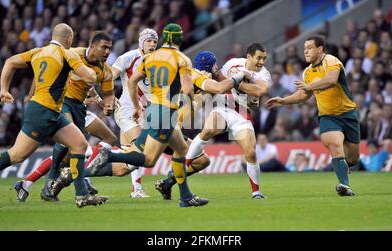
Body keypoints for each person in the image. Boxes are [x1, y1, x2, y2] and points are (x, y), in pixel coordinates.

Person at [0, 23, 108, 208]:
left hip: (51, 111)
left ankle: (82, 195)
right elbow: (90, 77)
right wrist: (94, 68)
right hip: (42, 112)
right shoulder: (67, 54)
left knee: (79, 144)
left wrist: (4, 89)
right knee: (16, 155)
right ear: (69, 39)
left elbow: (10, 62)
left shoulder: (37, 52)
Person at [88, 23, 209, 207]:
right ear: (179, 38)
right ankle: (109, 156)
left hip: (151, 110)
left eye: (154, 40)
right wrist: (191, 101)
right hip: (166, 113)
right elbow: (187, 89)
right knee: (149, 159)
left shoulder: (150, 58)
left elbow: (133, 81)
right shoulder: (182, 59)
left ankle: (186, 198)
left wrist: (137, 107)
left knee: (182, 150)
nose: (152, 43)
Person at [265, 36, 359, 196]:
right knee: (335, 145)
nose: (306, 51)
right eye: (304, 48)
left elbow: (331, 80)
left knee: (353, 158)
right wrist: (283, 101)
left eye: (309, 47)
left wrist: (309, 86)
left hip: (348, 114)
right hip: (328, 116)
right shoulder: (308, 72)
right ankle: (344, 185)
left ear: (320, 49)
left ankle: (344, 166)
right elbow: (303, 95)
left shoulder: (331, 61)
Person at [154, 50, 252, 199]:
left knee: (202, 161)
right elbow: (220, 88)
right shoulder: (197, 76)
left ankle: (168, 184)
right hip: (166, 128)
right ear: (208, 66)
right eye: (214, 65)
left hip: (172, 130)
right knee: (127, 165)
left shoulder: (201, 81)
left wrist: (248, 97)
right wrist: (240, 76)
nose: (217, 68)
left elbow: (224, 91)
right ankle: (109, 155)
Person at [34, 31, 116, 202]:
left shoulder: (105, 71)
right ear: (92, 46)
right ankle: (73, 183)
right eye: (104, 47)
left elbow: (108, 93)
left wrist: (109, 104)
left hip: (80, 106)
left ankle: (58, 182)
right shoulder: (73, 54)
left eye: (110, 48)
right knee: (72, 140)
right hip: (62, 102)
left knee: (99, 141)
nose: (107, 52)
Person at [185, 43, 272, 199]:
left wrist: (237, 82)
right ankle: (184, 165)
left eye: (264, 58)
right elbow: (219, 79)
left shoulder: (264, 74)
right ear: (249, 57)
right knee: (208, 131)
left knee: (251, 153)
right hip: (224, 105)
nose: (262, 62)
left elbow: (260, 90)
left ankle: (256, 192)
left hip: (243, 113)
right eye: (259, 58)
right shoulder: (233, 63)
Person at [110, 28, 159, 198]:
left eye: (154, 41)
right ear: (141, 42)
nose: (152, 44)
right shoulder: (129, 57)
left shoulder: (157, 61)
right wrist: (109, 96)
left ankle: (92, 156)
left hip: (144, 111)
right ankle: (137, 190)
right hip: (127, 108)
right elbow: (110, 76)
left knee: (127, 153)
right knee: (139, 145)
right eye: (149, 41)